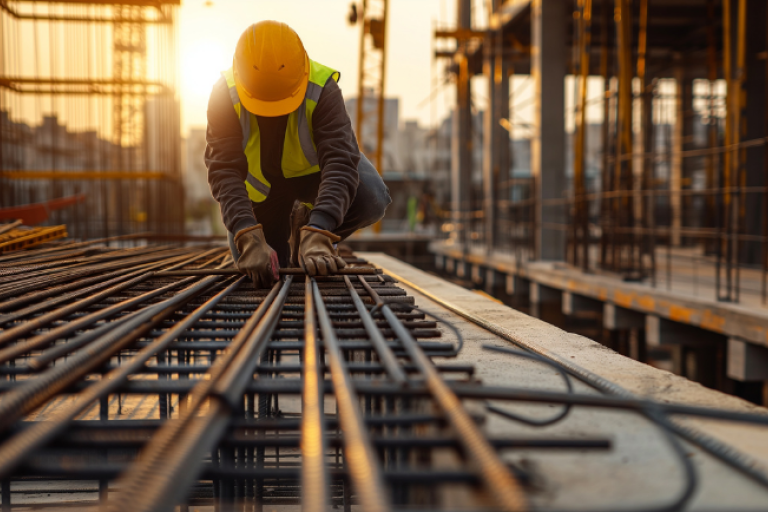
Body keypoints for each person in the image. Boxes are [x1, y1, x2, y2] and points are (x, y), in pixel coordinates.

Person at [205, 20, 390, 287]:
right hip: (263, 193)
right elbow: (223, 170)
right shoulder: (224, 94)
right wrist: (246, 233)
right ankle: (279, 235)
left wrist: (320, 230)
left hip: (312, 177)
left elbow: (340, 161)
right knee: (264, 272)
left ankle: (307, 228)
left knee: (372, 196)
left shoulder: (322, 88)